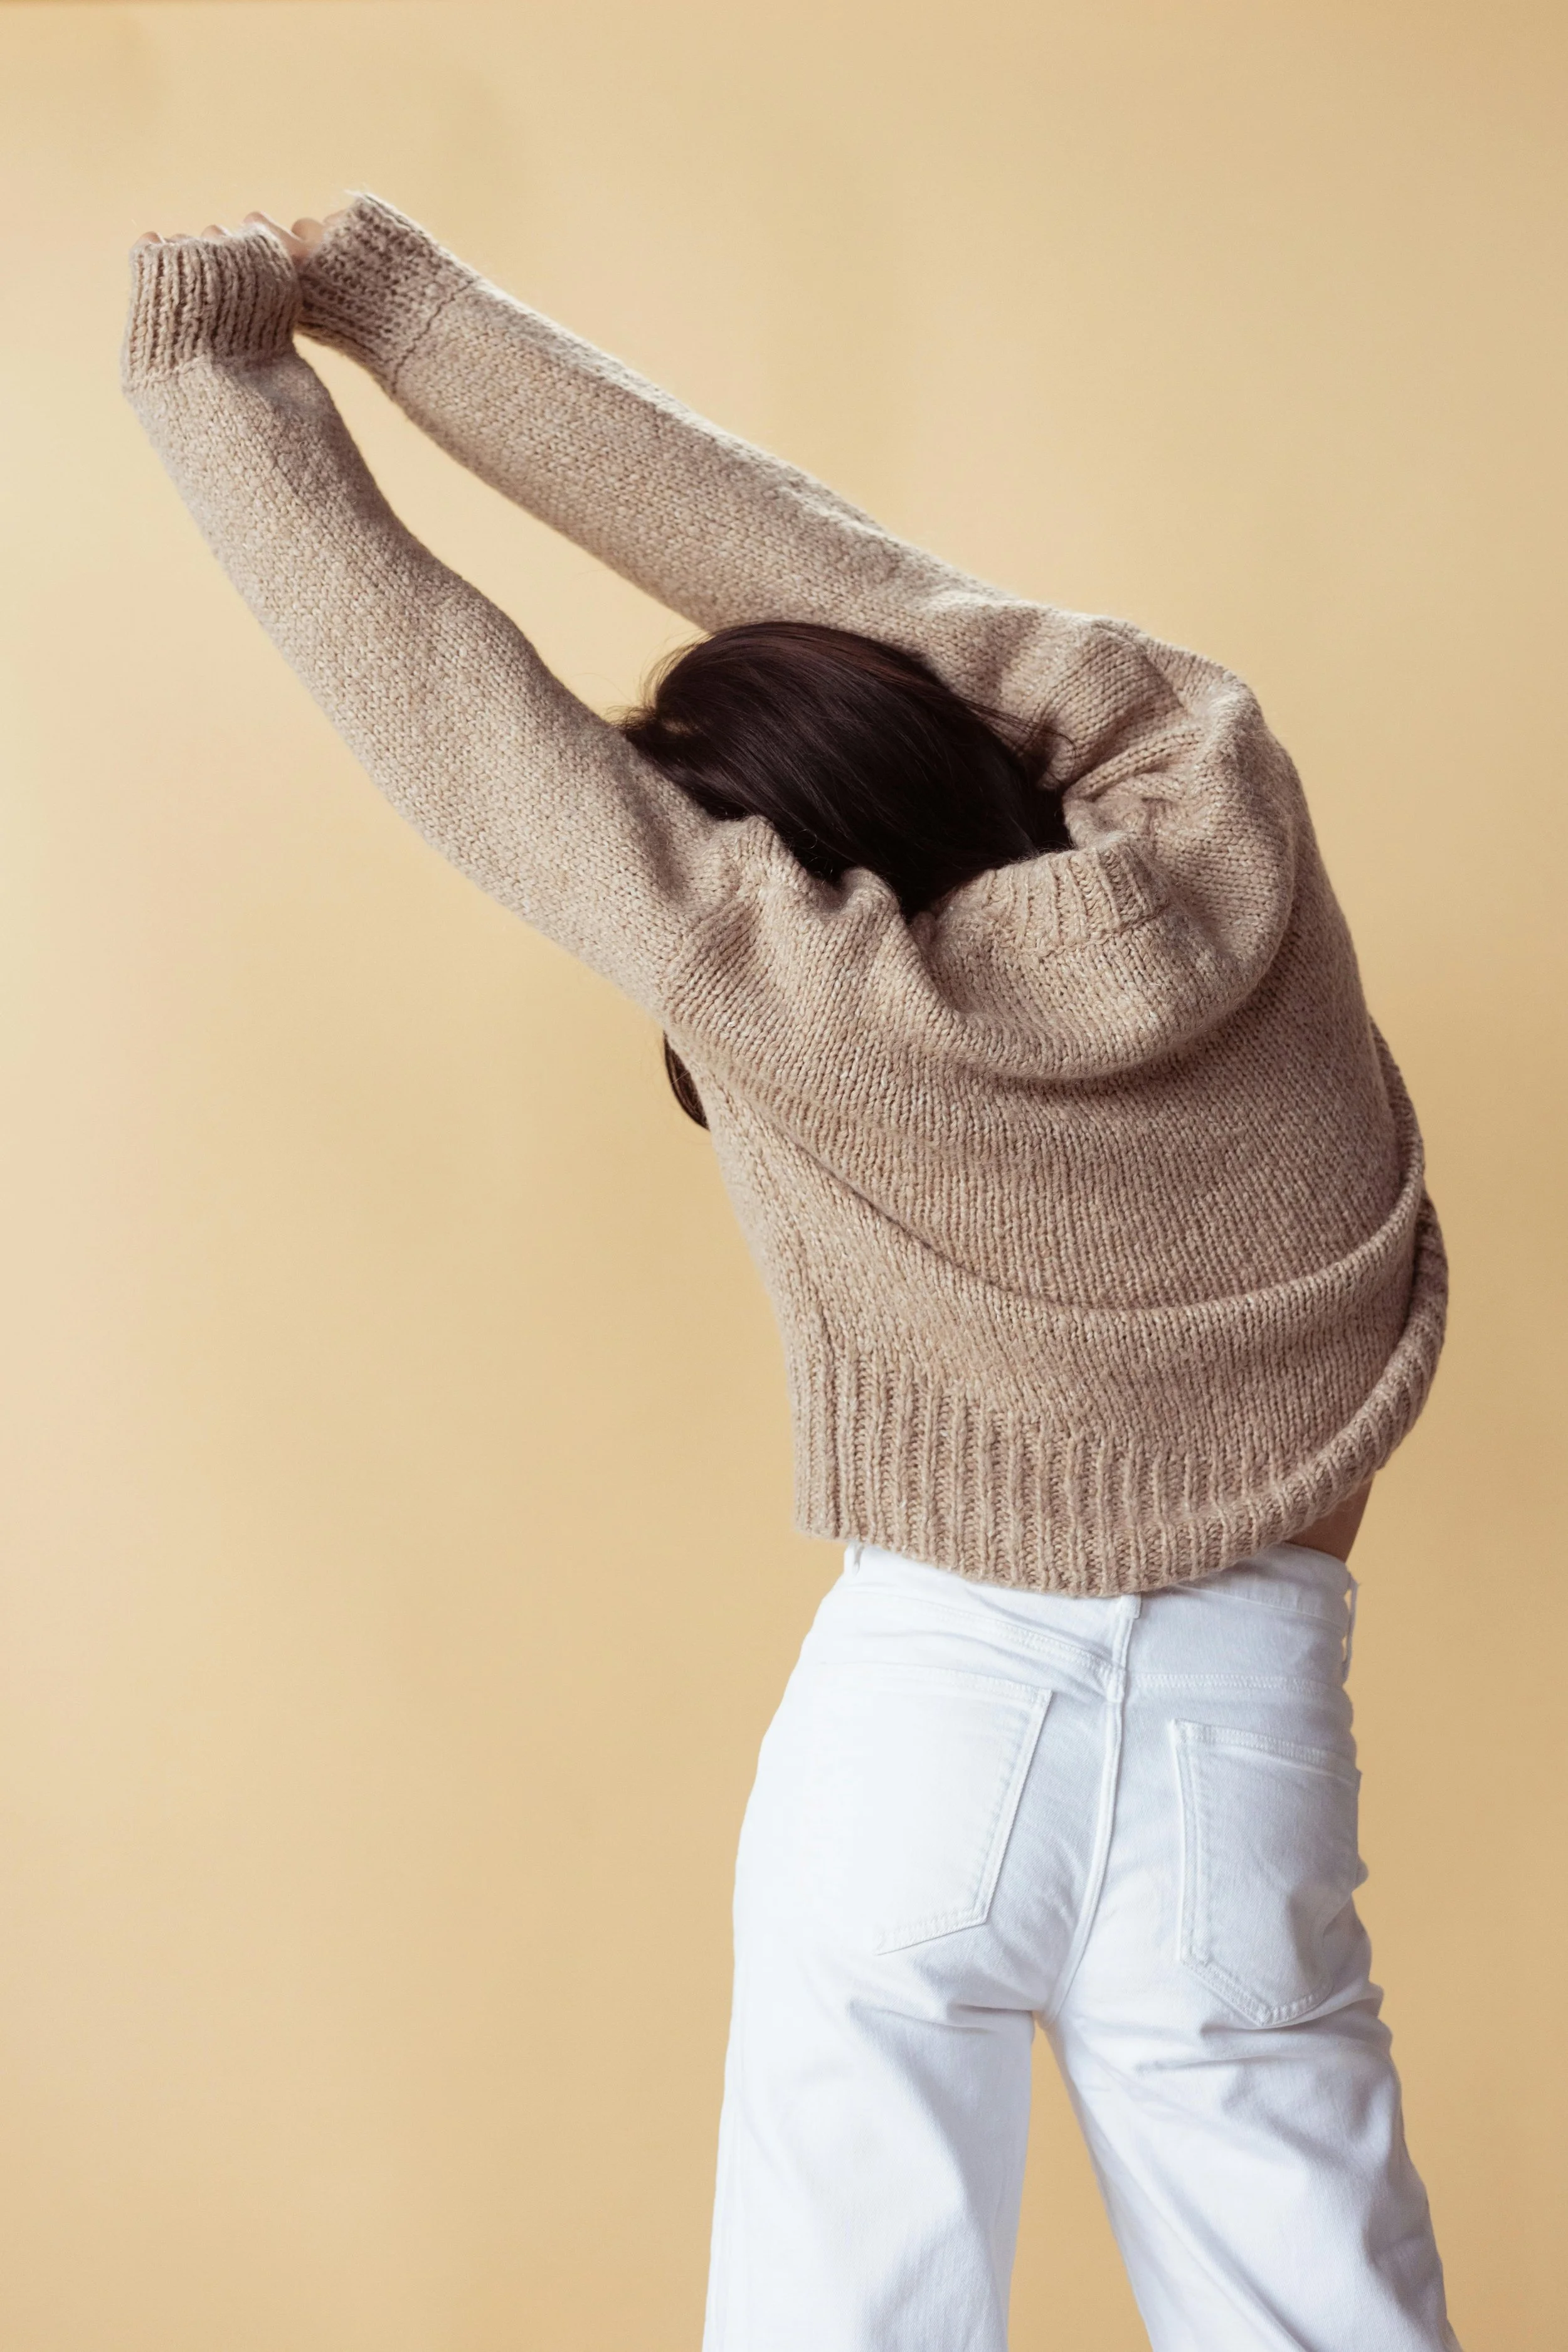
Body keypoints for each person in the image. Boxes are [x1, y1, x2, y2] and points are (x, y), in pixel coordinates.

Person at [122, 198, 1457, 2351]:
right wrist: (414, 308)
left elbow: (467, 733)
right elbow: (842, 572)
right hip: (1249, 1735)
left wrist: (219, 379)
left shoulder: (792, 992)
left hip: (929, 1713)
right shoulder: (1217, 793)